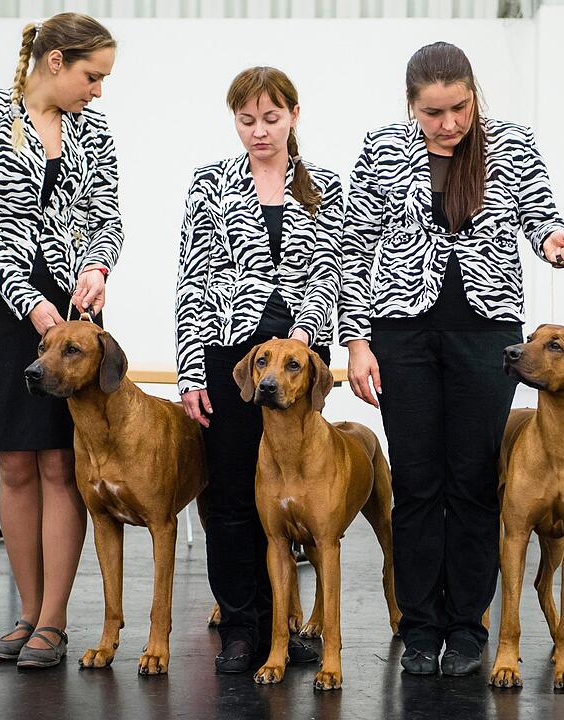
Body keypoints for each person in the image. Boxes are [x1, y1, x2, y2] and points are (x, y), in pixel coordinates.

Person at [339, 41, 564, 677]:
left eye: (459, 107)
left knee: (474, 481)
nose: (448, 123)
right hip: (400, 330)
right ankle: (420, 626)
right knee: (417, 481)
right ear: (411, 106)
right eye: (433, 112)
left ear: (475, 95)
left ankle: (469, 626)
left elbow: (540, 215)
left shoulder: (513, 141)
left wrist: (555, 238)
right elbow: (352, 244)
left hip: (486, 329)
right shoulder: (382, 145)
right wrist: (357, 341)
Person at [0, 13, 123, 669]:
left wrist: (97, 266)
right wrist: (30, 304)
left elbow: (108, 214)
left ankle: (52, 622)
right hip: (0, 309)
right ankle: (26, 612)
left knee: (60, 464)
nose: (97, 91)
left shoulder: (93, 129)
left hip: (75, 318)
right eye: (91, 76)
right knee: (16, 463)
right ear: (55, 62)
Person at [175, 66, 342, 673]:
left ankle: (285, 630)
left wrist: (305, 335)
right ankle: (242, 626)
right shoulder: (211, 183)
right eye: (246, 121)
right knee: (231, 498)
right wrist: (192, 370)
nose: (259, 131)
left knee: (291, 499)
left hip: (295, 366)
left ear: (294, 115)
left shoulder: (324, 184)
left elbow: (335, 271)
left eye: (271, 118)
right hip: (229, 358)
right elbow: (195, 279)